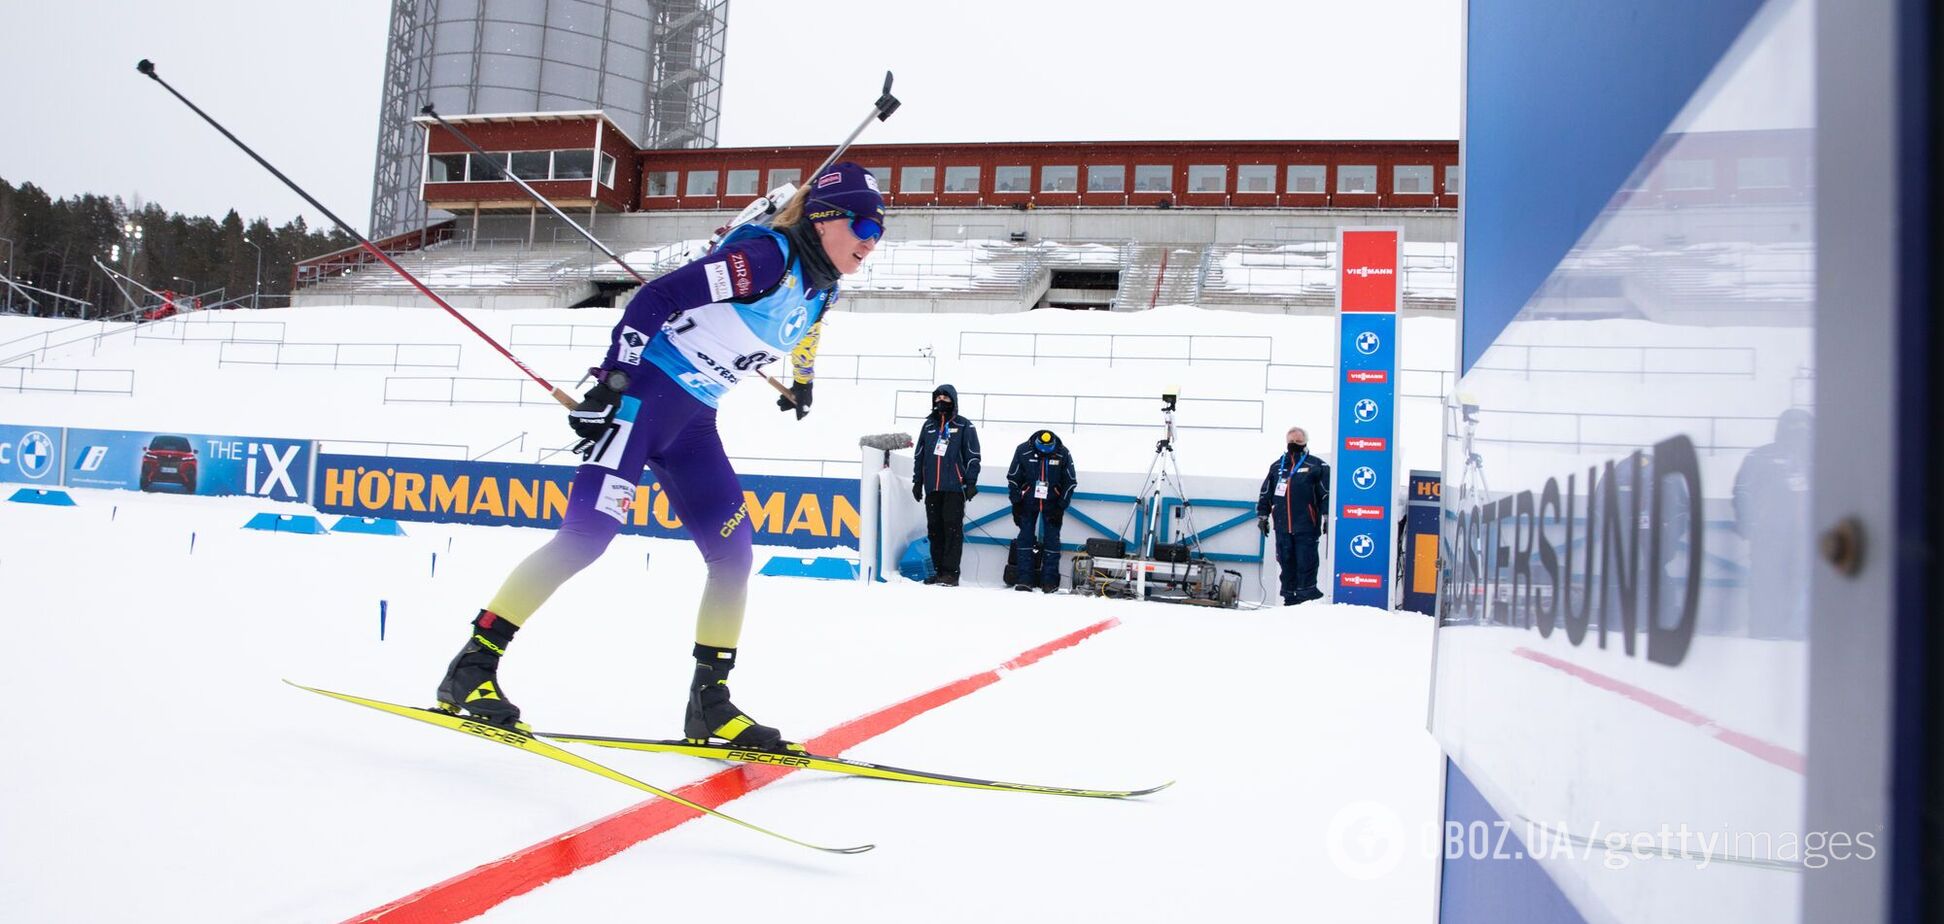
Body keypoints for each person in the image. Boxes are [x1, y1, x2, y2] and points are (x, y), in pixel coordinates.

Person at [433, 162, 885, 753]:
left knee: (734, 554)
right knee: (585, 539)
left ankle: (710, 705)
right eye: (864, 224)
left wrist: (803, 381)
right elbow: (660, 295)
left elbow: (807, 331)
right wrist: (613, 378)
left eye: (880, 230)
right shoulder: (767, 257)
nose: (872, 240)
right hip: (642, 403)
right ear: (825, 218)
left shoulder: (824, 285)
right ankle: (470, 668)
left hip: (694, 422)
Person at [1732, 408, 1811, 639]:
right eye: (1793, 427)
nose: (1798, 433)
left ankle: (1795, 633)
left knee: (1800, 587)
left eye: (1802, 428)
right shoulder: (1761, 457)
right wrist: (1748, 525)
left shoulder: (1821, 459)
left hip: (1805, 539)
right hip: (1769, 536)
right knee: (1766, 586)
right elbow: (1742, 492)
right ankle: (1763, 633)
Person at [911, 383, 981, 586]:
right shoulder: (929, 426)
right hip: (933, 488)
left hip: (954, 488)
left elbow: (973, 456)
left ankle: (950, 573)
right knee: (934, 530)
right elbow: (919, 456)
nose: (941, 401)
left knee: (952, 530)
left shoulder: (964, 425)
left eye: (945, 398)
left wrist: (970, 482)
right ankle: (939, 570)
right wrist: (918, 481)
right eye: (938, 398)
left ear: (953, 400)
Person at [1257, 426, 1330, 605]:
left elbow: (1326, 494)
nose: (1294, 445)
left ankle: (1306, 597)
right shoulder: (1277, 465)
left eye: (1298, 442)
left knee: (1307, 561)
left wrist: (1327, 516)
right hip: (1282, 525)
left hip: (1306, 524)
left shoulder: (1317, 465)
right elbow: (1266, 492)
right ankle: (1289, 598)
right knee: (1285, 560)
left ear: (1305, 442)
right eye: (1291, 442)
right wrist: (1263, 516)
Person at [1006, 429, 1077, 592]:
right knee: (1025, 540)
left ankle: (1050, 581)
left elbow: (1070, 481)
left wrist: (1061, 506)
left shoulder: (1063, 453)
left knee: (1052, 541)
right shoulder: (1022, 450)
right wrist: (1016, 503)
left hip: (1053, 504)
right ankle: (1024, 579)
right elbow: (1013, 478)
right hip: (1027, 503)